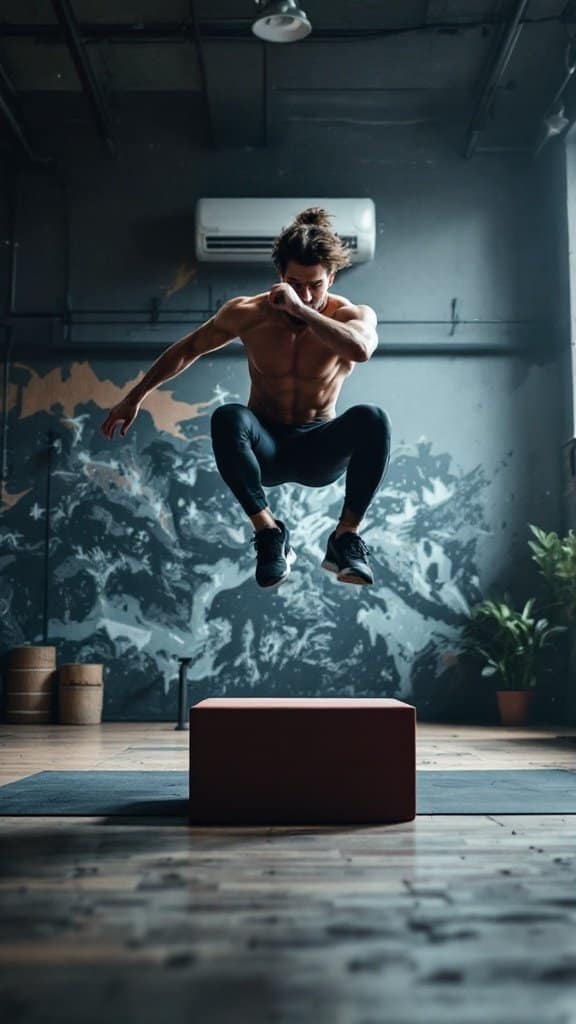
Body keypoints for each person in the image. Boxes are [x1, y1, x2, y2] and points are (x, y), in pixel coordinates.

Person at [101, 207, 391, 590]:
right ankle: (270, 534)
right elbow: (188, 349)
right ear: (279, 278)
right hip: (264, 448)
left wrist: (301, 310)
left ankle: (344, 538)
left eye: (315, 285)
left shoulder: (352, 314)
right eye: (294, 283)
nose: (305, 293)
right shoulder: (249, 313)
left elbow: (360, 350)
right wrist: (134, 396)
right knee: (228, 417)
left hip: (318, 450)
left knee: (372, 418)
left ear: (331, 278)